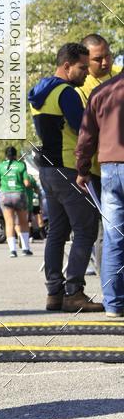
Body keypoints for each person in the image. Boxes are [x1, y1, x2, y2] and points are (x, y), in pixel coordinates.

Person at [28, 43, 103, 312]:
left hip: (47, 170)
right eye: (82, 67)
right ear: (67, 65)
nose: (85, 73)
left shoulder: (41, 91)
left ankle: (54, 293)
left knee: (57, 232)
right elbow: (83, 129)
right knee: (85, 229)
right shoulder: (67, 93)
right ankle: (74, 292)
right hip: (69, 168)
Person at [76, 70, 124, 317]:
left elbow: (86, 137)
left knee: (113, 238)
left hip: (109, 171)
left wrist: (82, 169)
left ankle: (114, 304)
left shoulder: (101, 92)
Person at [77, 34, 121, 275]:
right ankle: (110, 290)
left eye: (108, 55)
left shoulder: (116, 77)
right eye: (98, 59)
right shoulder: (84, 88)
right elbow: (84, 133)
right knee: (108, 234)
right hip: (96, 170)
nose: (105, 62)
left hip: (109, 166)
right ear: (86, 60)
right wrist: (82, 168)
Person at [0, 147, 33, 257]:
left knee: (9, 223)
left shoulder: (0, 166)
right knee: (23, 222)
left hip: (5, 195)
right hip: (19, 194)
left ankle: (12, 251)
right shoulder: (21, 166)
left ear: (5, 155)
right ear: (16, 155)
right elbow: (26, 183)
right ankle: (25, 249)